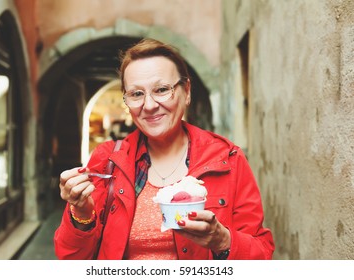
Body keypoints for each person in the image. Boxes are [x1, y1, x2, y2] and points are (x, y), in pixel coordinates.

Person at [54, 38, 275, 260]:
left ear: (186, 92)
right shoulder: (108, 160)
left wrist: (222, 240)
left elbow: (261, 255)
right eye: (136, 94)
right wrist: (81, 213)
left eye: (161, 89)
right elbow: (71, 259)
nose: (148, 105)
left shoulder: (227, 159)